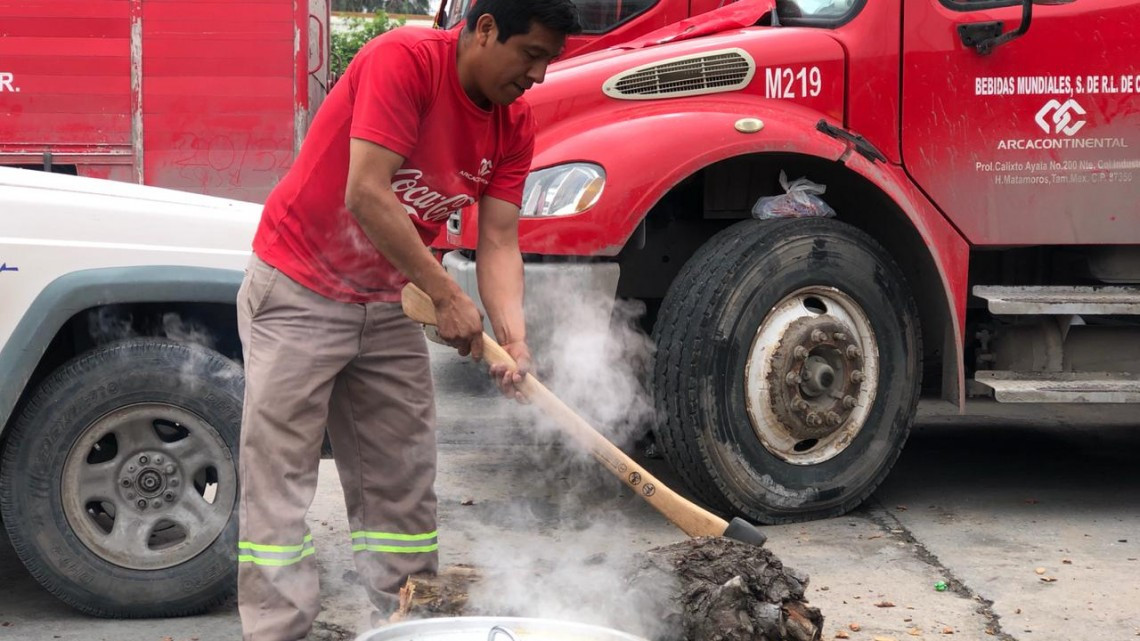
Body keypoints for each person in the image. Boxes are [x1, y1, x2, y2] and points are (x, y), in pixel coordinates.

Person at [234, 1, 581, 638]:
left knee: (403, 481)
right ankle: (278, 631)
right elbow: (366, 191)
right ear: (483, 30)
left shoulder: (514, 122)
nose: (537, 76)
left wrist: (515, 338)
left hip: (391, 301)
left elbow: (500, 240)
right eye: (531, 55)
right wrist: (448, 295)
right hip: (300, 288)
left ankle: (412, 626)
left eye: (548, 62)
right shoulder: (405, 61)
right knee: (279, 482)